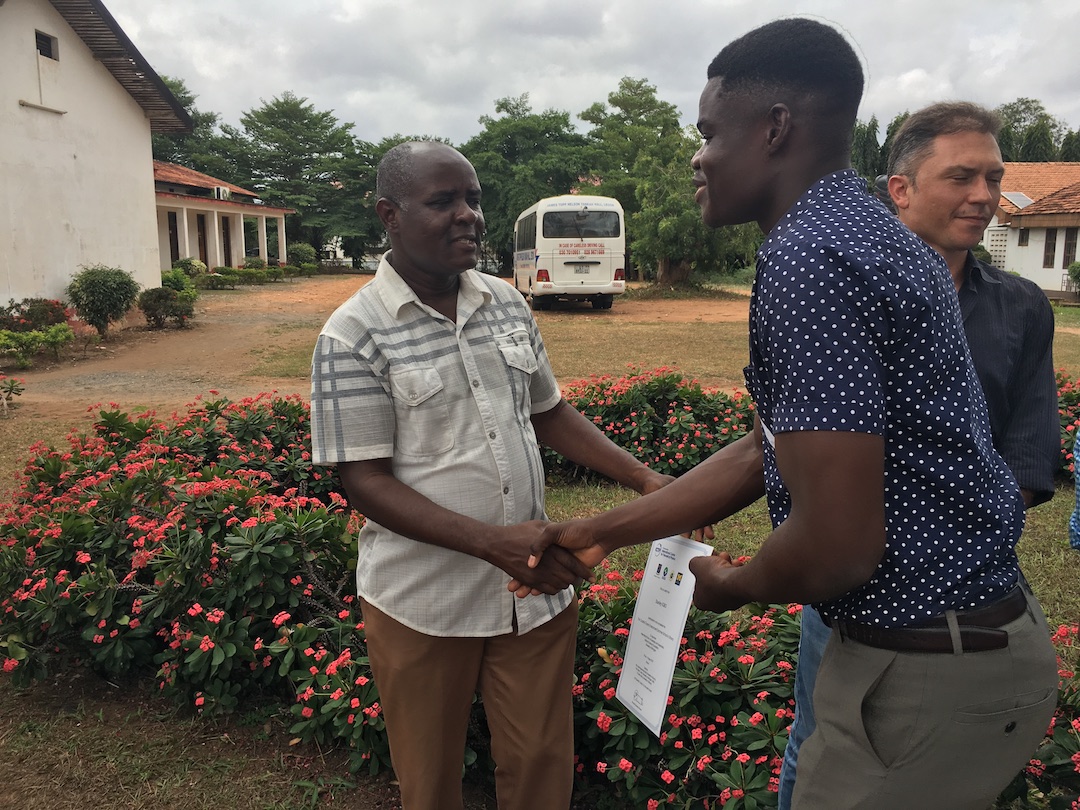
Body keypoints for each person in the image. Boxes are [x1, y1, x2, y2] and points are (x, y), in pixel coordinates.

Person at [517, 19, 1059, 809]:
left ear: (774, 128)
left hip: (923, 668)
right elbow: (765, 448)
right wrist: (601, 530)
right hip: (952, 643)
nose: (698, 157)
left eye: (709, 133)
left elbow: (836, 549)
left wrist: (729, 584)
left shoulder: (812, 258)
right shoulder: (862, 232)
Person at [308, 140, 671, 810]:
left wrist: (647, 480)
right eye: (443, 201)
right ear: (390, 215)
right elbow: (364, 482)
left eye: (473, 200)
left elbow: (548, 411)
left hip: (533, 592)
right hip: (422, 602)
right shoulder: (353, 334)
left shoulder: (506, 302)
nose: (467, 215)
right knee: (430, 782)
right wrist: (491, 543)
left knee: (540, 767)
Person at [776, 101, 1060, 808]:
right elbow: (787, 439)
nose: (984, 196)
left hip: (946, 610)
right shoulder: (844, 288)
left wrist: (937, 543)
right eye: (961, 177)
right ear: (899, 189)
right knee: (813, 741)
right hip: (846, 590)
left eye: (993, 178)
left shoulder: (1021, 307)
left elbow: (1027, 457)